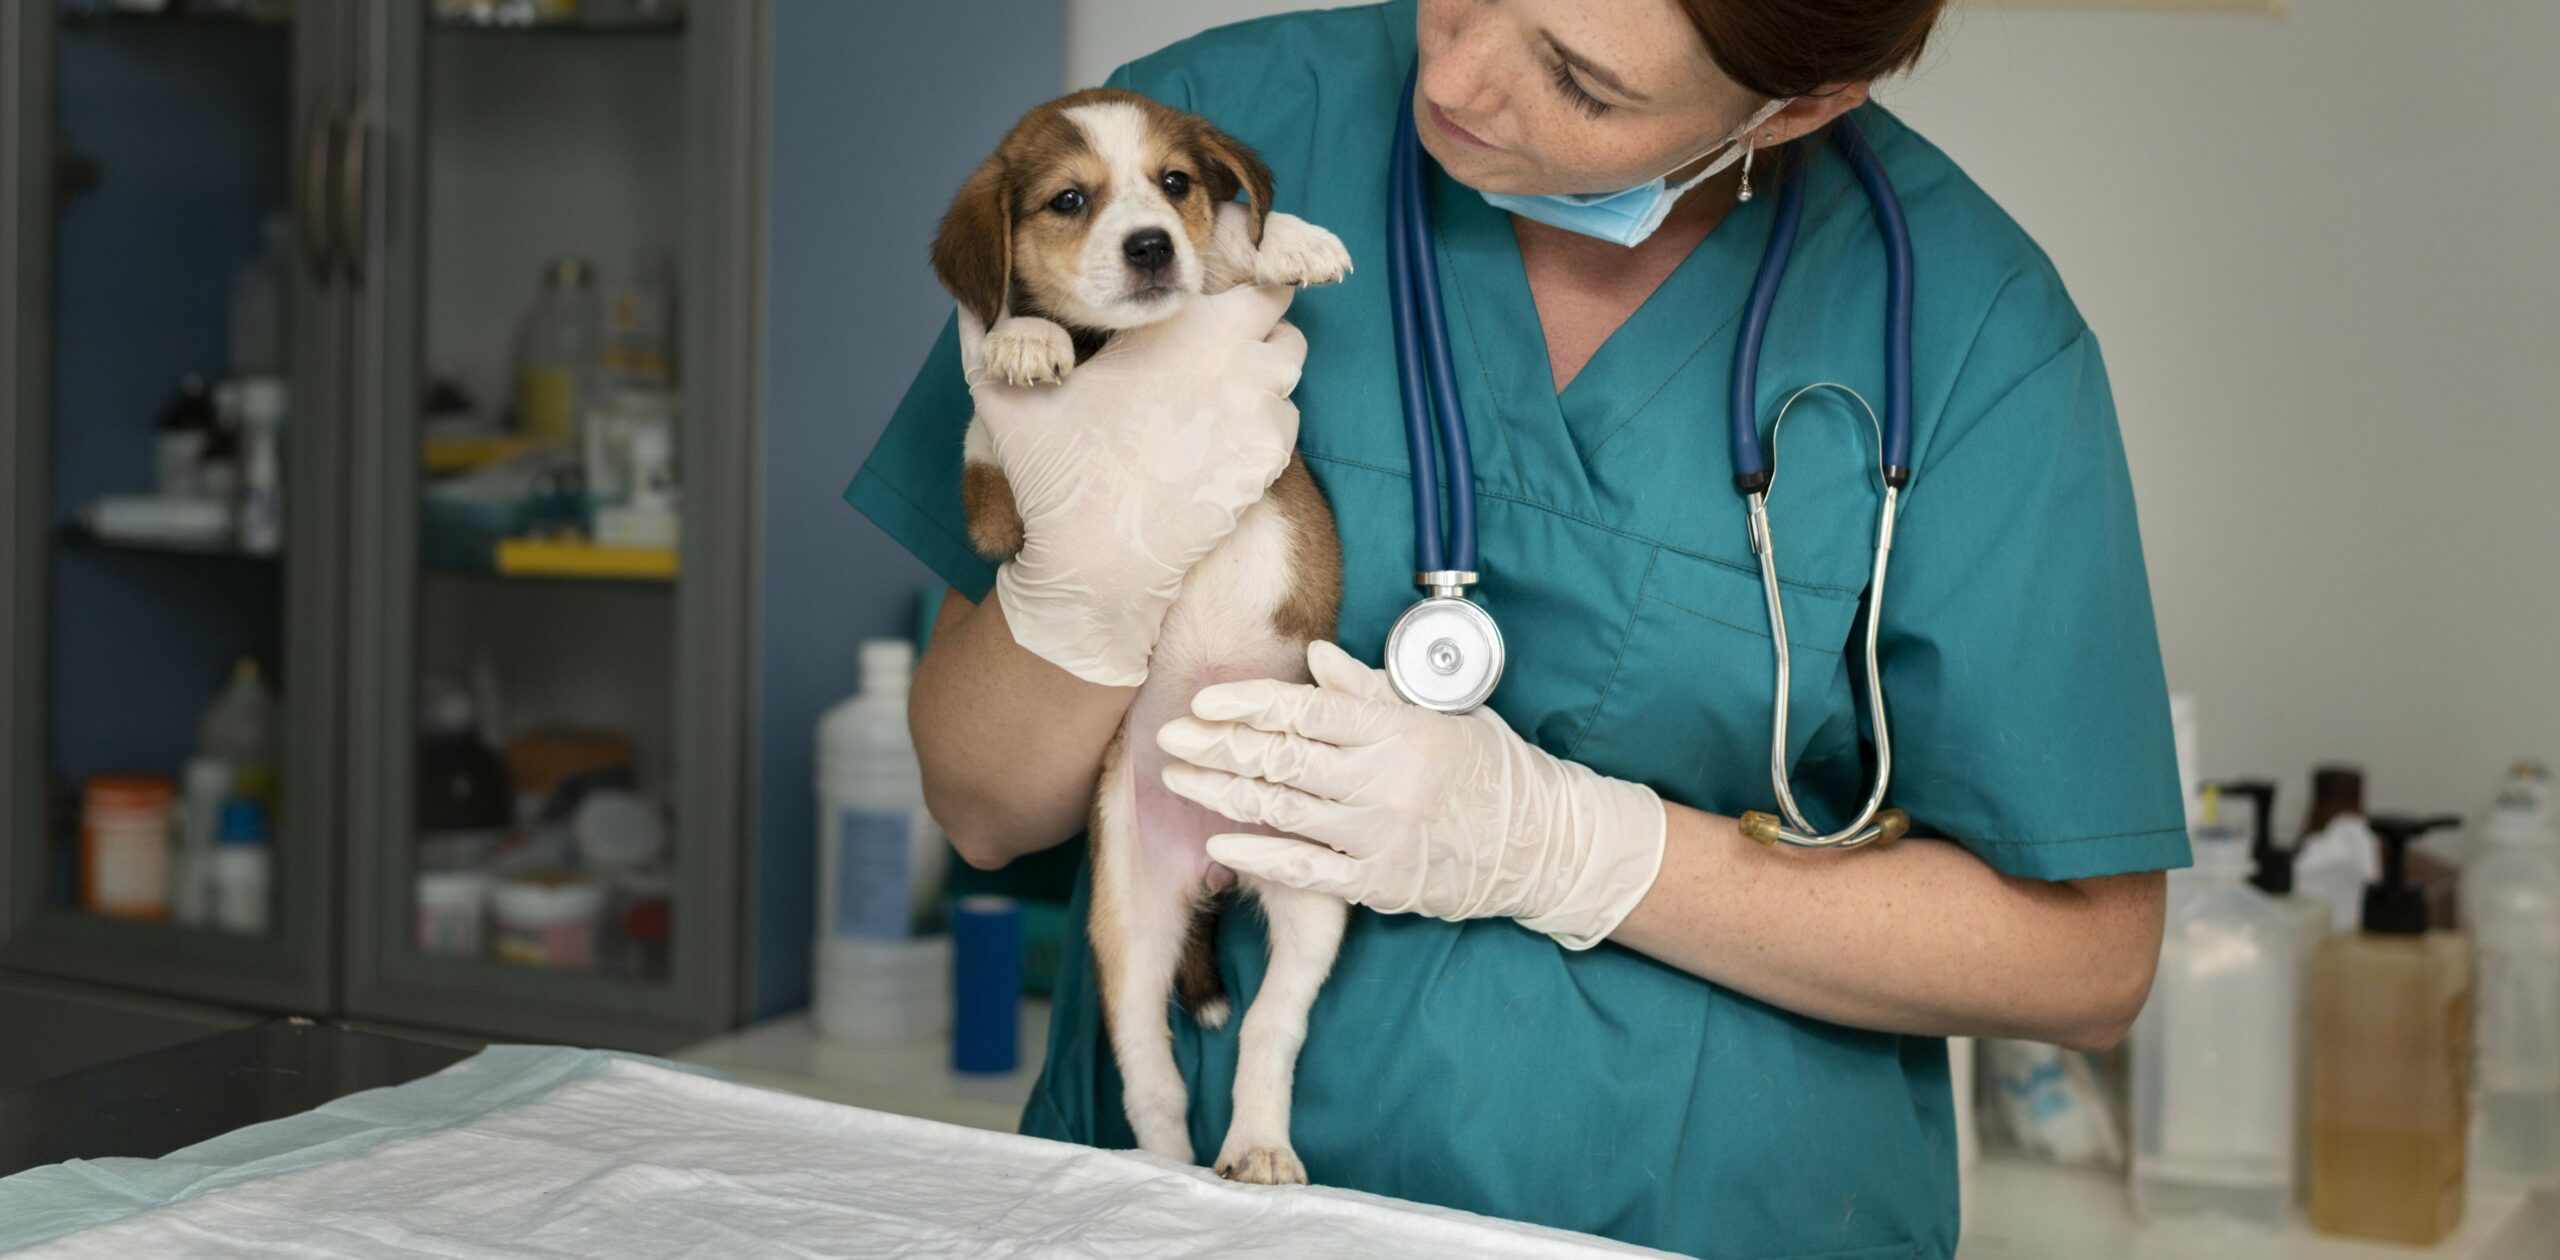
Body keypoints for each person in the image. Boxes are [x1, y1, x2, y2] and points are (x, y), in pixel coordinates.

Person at [846, 1, 2187, 1255]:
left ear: (1793, 110)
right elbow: (981, 805)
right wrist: (1078, 589)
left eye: (1582, 82)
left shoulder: (1961, 323)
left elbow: (2085, 958)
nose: (1456, 77)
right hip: (1181, 1201)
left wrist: (1574, 849)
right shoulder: (1193, 138)